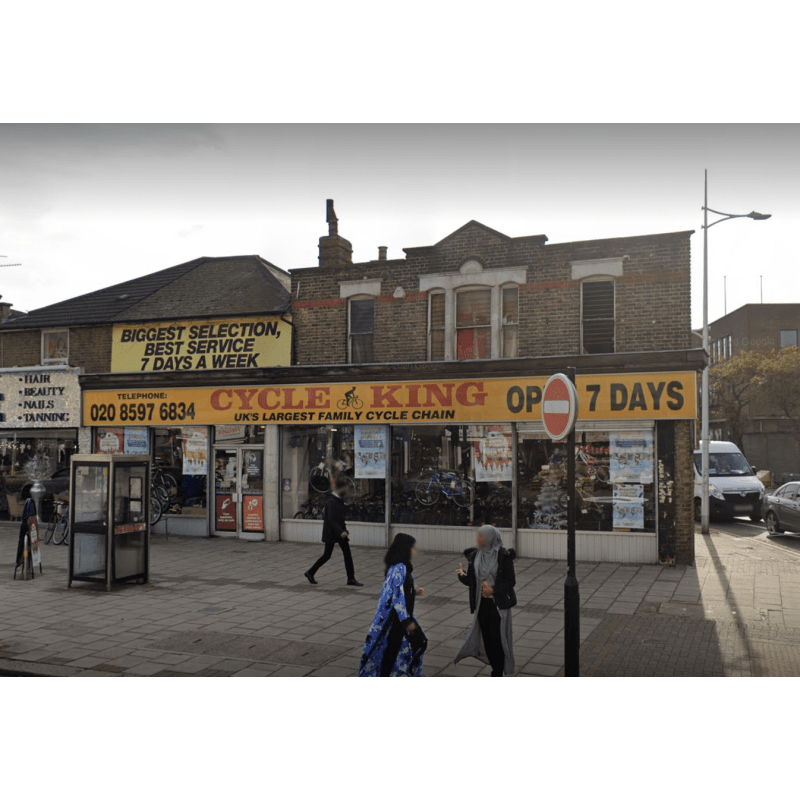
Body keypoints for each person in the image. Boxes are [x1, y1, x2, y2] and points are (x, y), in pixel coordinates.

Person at [359, 533, 427, 677]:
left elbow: (400, 590)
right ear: (405, 549)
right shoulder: (399, 568)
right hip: (397, 619)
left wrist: (413, 592)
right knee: (403, 647)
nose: (415, 551)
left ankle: (402, 672)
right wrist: (407, 622)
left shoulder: (403, 566)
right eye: (413, 548)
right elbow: (396, 596)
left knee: (397, 649)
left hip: (401, 617)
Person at [454, 524, 516, 677]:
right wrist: (462, 575)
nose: (479, 539)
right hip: (481, 606)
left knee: (498, 640)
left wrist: (493, 590)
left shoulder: (503, 556)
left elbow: (510, 581)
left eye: (482, 536)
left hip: (497, 606)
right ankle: (495, 668)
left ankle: (498, 671)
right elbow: (472, 581)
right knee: (487, 639)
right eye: (478, 536)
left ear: (490, 538)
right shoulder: (475, 555)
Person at [304, 475, 363, 586]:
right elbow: (331, 520)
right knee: (327, 555)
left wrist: (343, 529)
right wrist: (341, 531)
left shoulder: (338, 498)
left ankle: (351, 578)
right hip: (332, 532)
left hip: (339, 531)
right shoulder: (331, 501)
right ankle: (310, 572)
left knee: (346, 553)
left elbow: (340, 517)